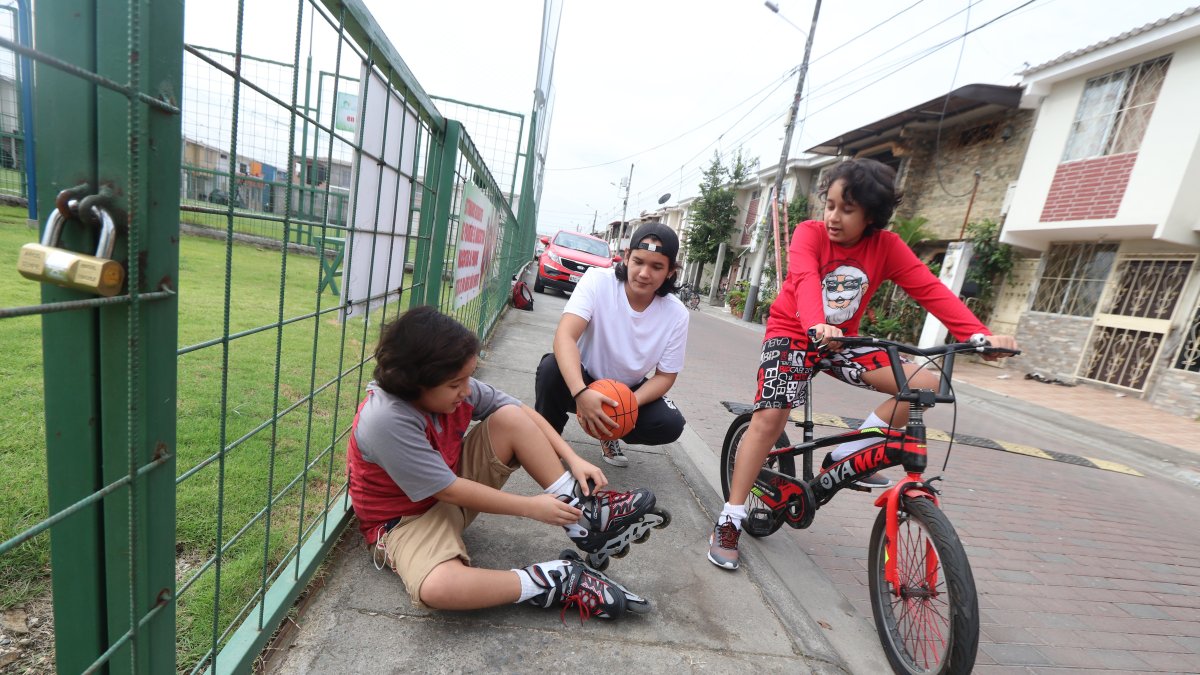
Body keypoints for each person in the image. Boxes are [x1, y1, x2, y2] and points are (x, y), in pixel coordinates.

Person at [707, 158, 1018, 571]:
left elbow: (931, 291)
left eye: (847, 210)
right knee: (771, 417)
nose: (833, 217)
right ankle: (730, 517)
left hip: (840, 342)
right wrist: (816, 322)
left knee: (923, 384)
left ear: (871, 216)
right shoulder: (810, 233)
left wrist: (980, 335)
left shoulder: (886, 247)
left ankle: (846, 455)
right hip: (793, 331)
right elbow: (802, 278)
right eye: (830, 205)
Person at [348, 305, 667, 618]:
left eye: (468, 378)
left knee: (509, 417)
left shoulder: (456, 388)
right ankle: (553, 580)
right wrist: (531, 507)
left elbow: (523, 413)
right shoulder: (385, 419)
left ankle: (582, 516)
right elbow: (448, 489)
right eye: (455, 384)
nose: (466, 390)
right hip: (404, 522)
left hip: (449, 491)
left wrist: (572, 458)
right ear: (415, 381)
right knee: (437, 588)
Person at [535, 222, 690, 467]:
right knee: (550, 370)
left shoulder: (677, 313)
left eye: (657, 266)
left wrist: (626, 407)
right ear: (627, 257)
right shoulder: (598, 281)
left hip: (628, 391)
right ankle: (548, 441)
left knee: (670, 424)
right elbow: (565, 336)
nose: (644, 273)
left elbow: (666, 376)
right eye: (638, 261)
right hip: (584, 379)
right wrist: (580, 392)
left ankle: (610, 434)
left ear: (670, 271)